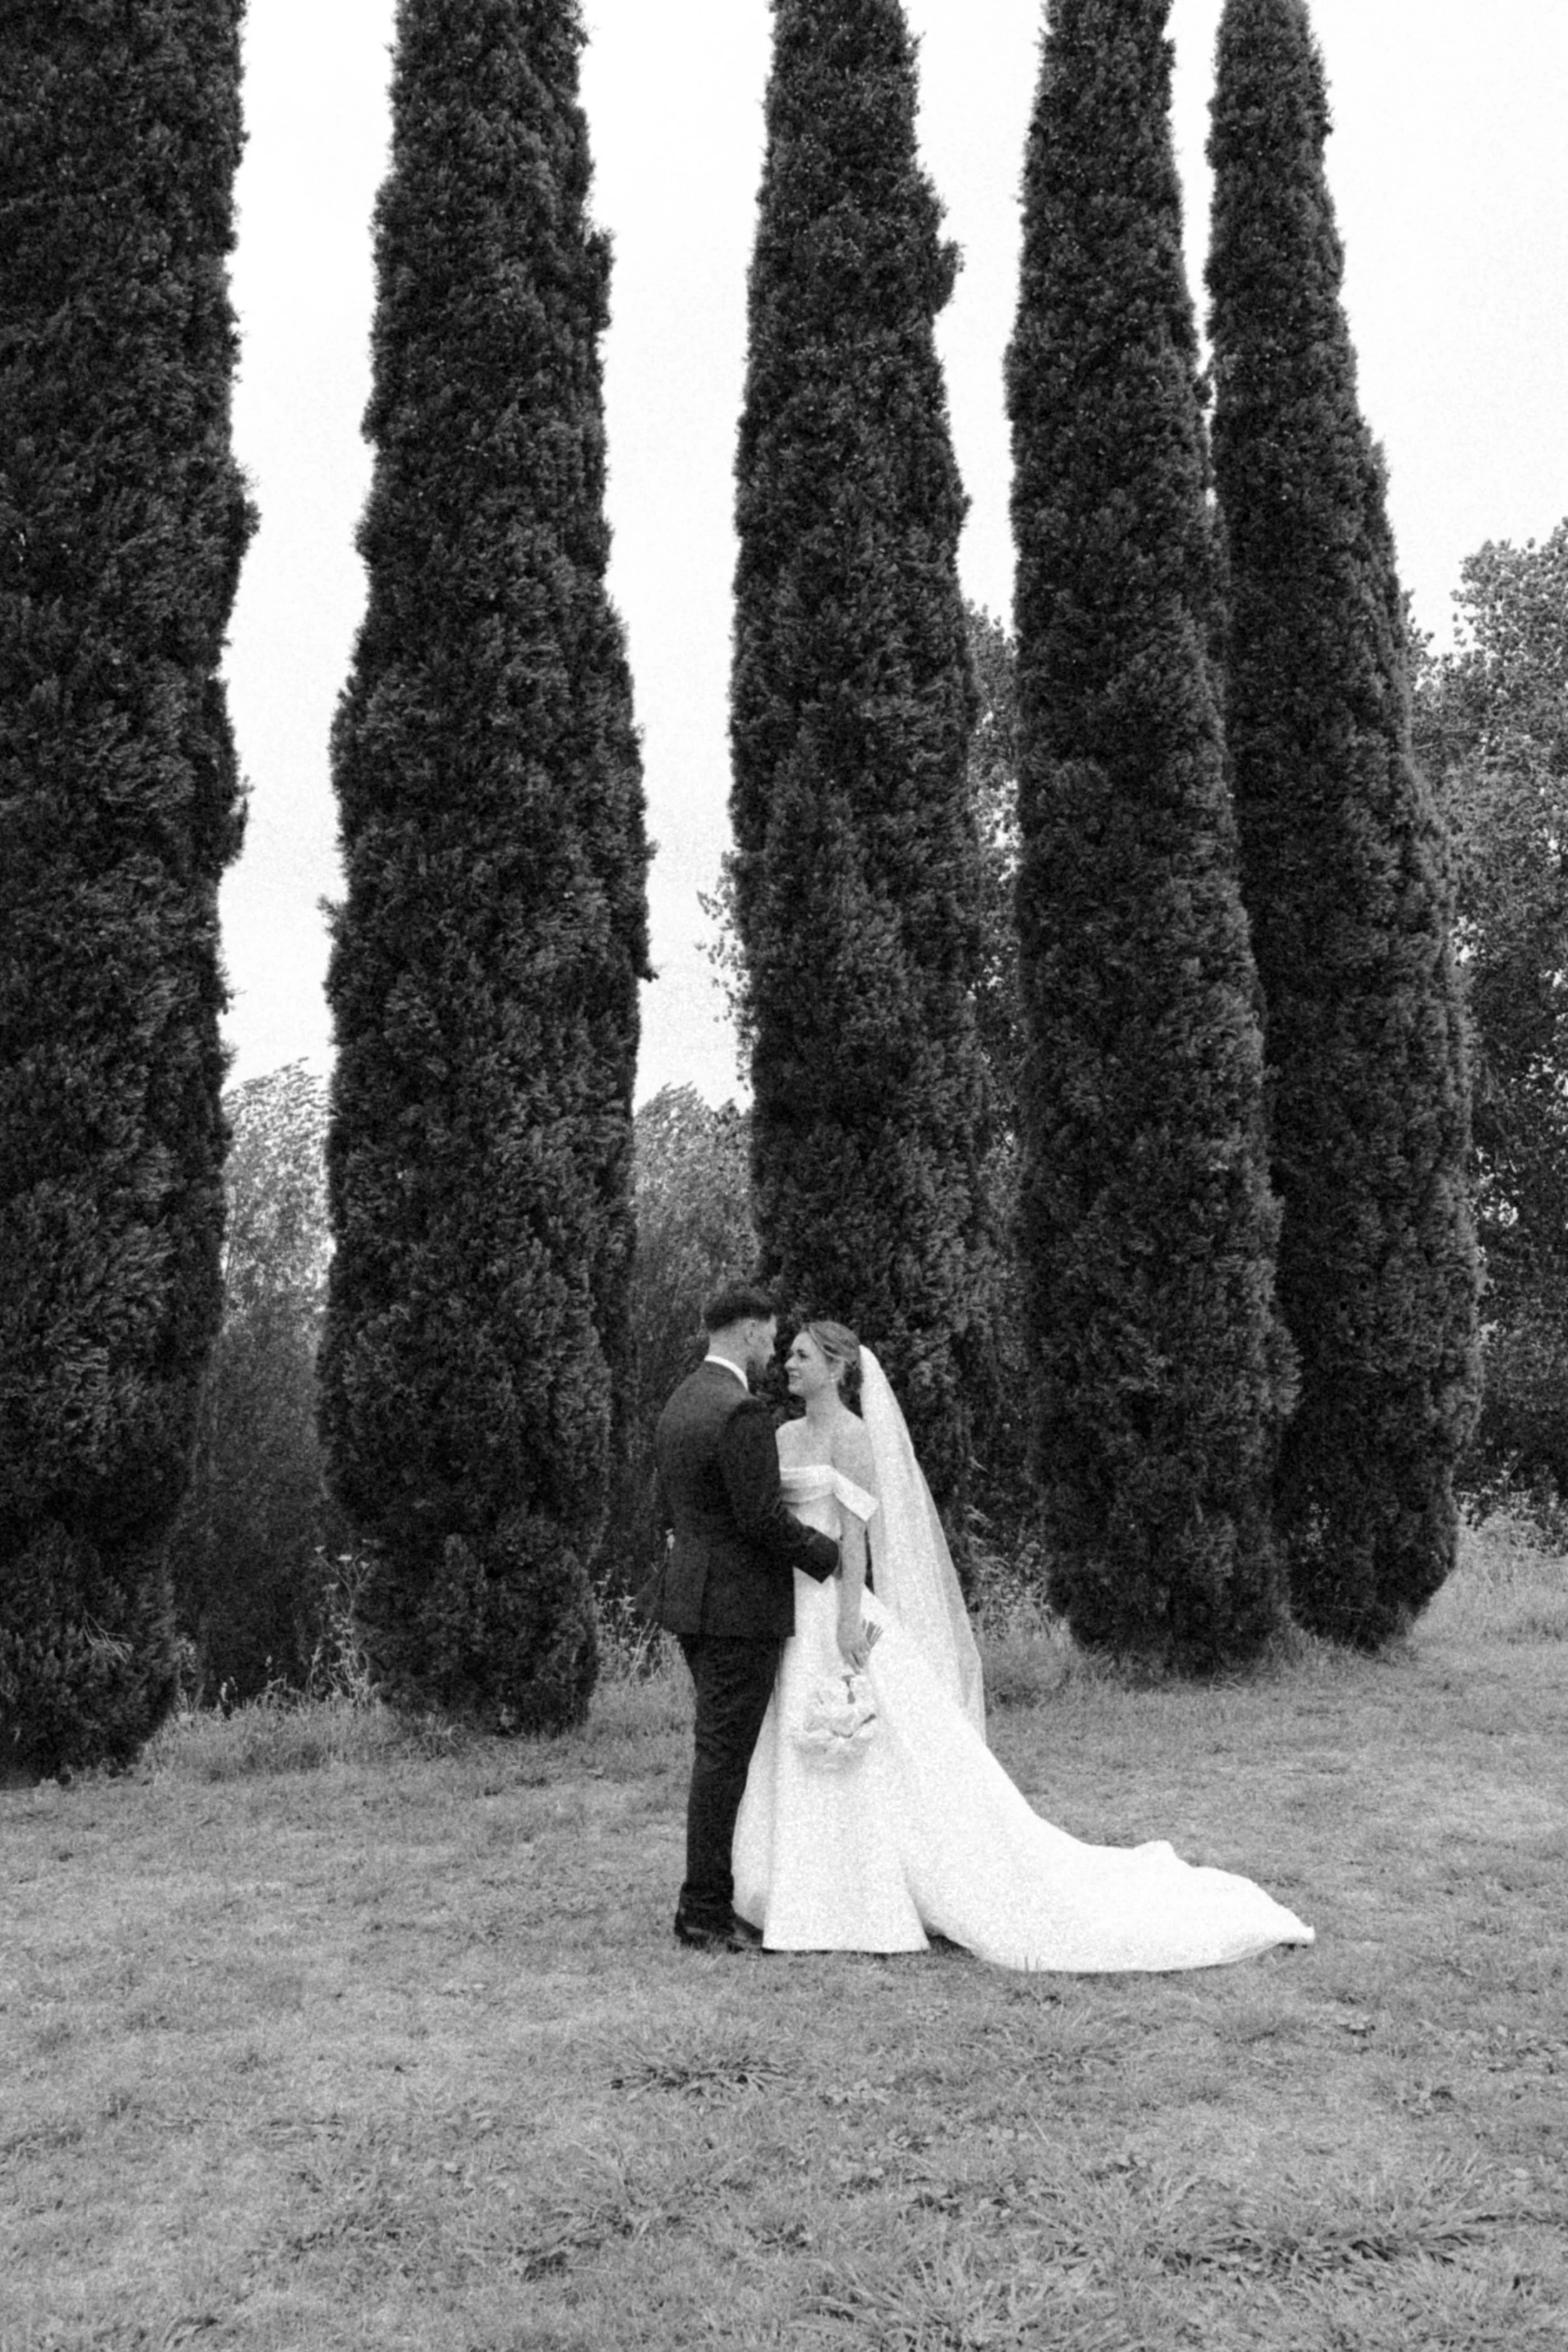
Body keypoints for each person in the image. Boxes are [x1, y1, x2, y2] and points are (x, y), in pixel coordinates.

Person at [733, 1320, 1315, 1971]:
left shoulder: (852, 1437)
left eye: (802, 1355)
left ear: (836, 1368)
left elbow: (856, 1538)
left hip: (834, 1607)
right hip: (785, 1608)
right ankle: (790, 1884)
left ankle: (861, 1892)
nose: (788, 1364)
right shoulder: (783, 1436)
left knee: (862, 1744)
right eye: (787, 1355)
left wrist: (847, 1620)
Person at [651, 1283, 839, 1953]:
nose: (772, 1350)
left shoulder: (681, 1401)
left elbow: (672, 1507)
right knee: (723, 1761)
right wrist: (825, 1552)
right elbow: (759, 1519)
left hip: (692, 1602)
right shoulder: (741, 1412)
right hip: (738, 1611)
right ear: (748, 1332)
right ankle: (701, 1911)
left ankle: (714, 1895)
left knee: (719, 1755)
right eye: (768, 1336)